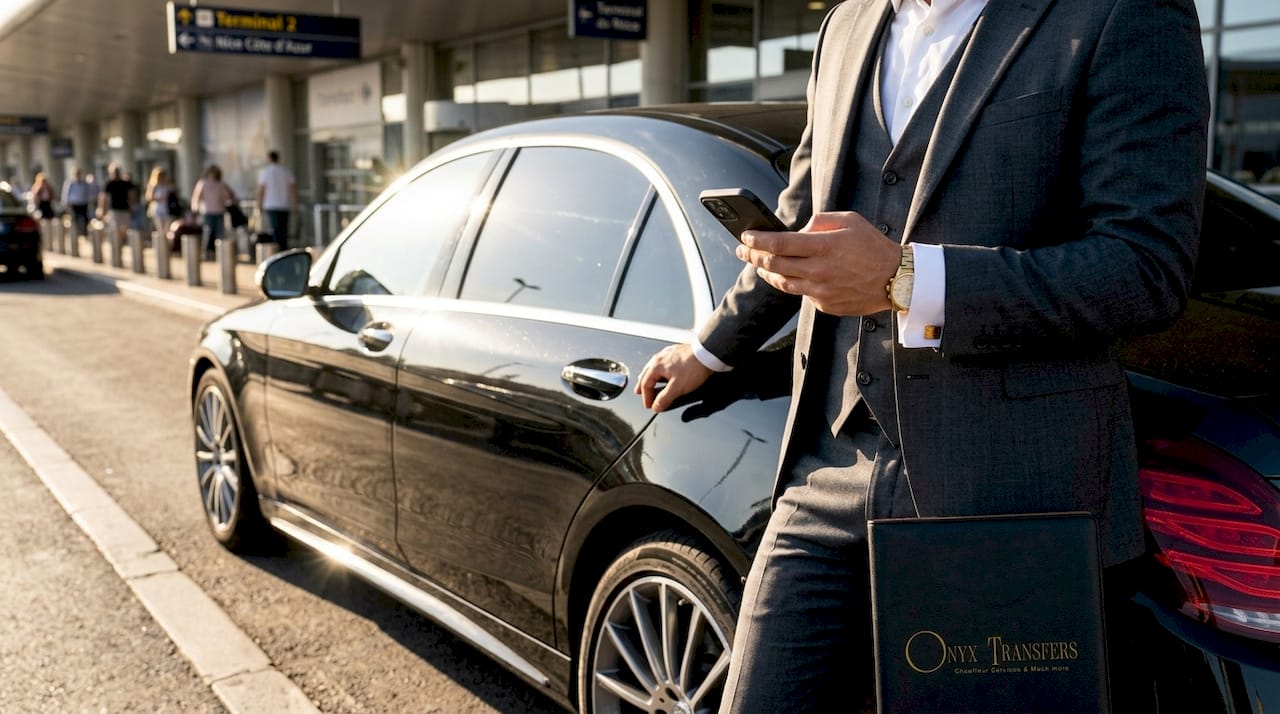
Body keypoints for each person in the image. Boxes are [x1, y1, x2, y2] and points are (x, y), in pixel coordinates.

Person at [633, 1, 1209, 712]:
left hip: (1004, 487)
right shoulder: (846, 24)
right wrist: (709, 347)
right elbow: (803, 218)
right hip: (831, 466)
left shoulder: (1122, 14)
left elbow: (1145, 267)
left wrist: (903, 280)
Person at [191, 164, 235, 258]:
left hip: (219, 211)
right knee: (209, 232)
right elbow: (197, 197)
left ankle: (219, 253)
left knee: (220, 232)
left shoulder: (221, 184)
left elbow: (229, 195)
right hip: (208, 211)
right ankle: (207, 252)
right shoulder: (203, 183)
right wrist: (195, 209)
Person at [256, 150, 296, 249]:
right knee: (283, 228)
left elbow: (261, 190)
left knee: (275, 228)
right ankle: (283, 247)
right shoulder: (285, 171)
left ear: (269, 159)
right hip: (284, 204)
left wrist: (259, 204)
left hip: (270, 205)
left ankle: (277, 248)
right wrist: (295, 204)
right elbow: (293, 189)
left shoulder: (265, 172)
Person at [97, 163, 136, 246]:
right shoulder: (109, 184)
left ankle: (122, 241)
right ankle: (118, 243)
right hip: (114, 209)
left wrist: (131, 205)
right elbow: (103, 197)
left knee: (125, 228)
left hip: (125, 209)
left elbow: (132, 194)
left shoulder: (125, 183)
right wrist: (102, 209)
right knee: (116, 227)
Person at [144, 167, 177, 244]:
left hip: (167, 209)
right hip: (157, 209)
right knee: (160, 230)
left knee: (167, 229)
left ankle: (166, 245)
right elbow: (149, 197)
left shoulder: (167, 185)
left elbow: (174, 190)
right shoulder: (153, 185)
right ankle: (161, 246)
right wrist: (158, 198)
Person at [62, 168, 92, 237]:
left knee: (85, 219)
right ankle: (77, 233)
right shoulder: (70, 183)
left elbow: (87, 193)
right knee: (75, 219)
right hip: (74, 204)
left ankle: (85, 233)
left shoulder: (84, 183)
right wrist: (66, 204)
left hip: (83, 203)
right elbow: (66, 194)